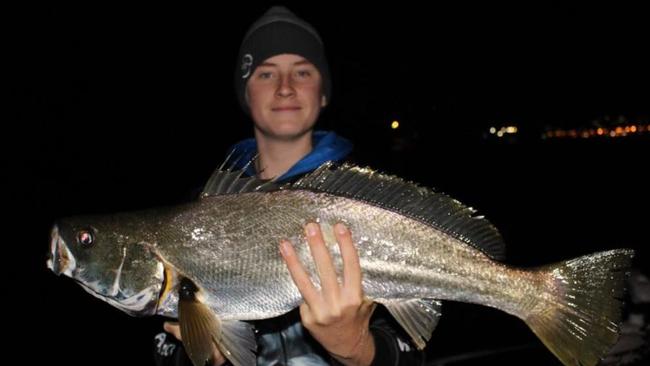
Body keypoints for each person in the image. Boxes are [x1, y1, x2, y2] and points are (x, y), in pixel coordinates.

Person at [153, 6, 426, 366]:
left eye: (302, 71)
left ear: (324, 92)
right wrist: (204, 355)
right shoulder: (196, 211)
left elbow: (413, 353)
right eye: (266, 74)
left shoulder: (370, 198)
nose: (285, 88)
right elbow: (164, 349)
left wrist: (357, 348)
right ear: (244, 94)